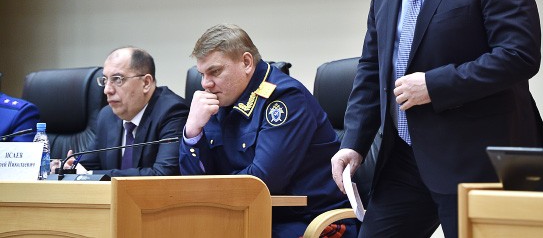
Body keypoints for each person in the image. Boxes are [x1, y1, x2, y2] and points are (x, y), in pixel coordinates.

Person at [331, 0, 543, 238]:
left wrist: (435, 85)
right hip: (403, 158)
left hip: (474, 159)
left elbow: (519, 55)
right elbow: (373, 65)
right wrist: (353, 142)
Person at [179, 24, 356, 238]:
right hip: (251, 216)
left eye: (215, 72)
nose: (206, 83)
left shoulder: (285, 99)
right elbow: (193, 184)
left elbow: (262, 182)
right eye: (202, 74)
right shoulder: (218, 102)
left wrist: (211, 190)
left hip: (311, 221)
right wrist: (193, 131)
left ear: (246, 62)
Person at [61, 47, 188, 176]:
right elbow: (86, 164)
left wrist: (90, 175)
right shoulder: (107, 115)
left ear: (146, 83)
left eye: (117, 79)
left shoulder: (173, 112)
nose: (107, 90)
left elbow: (162, 175)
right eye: (105, 80)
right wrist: (67, 167)